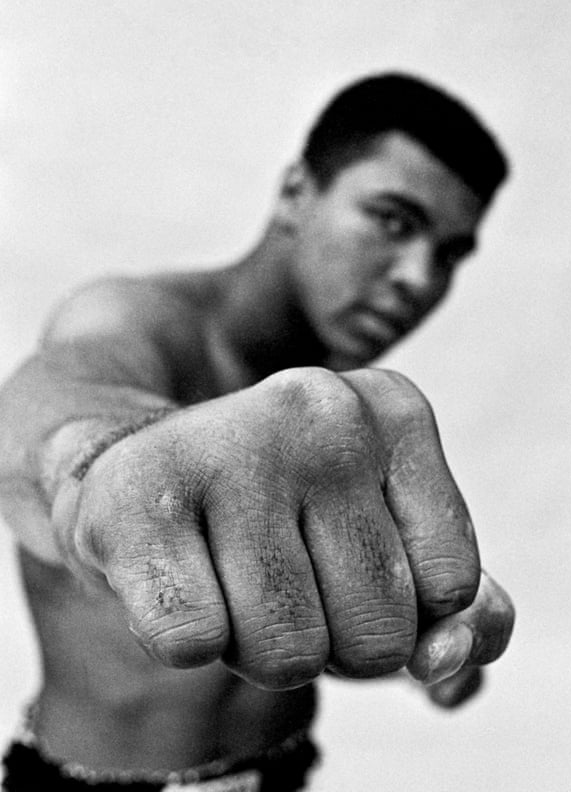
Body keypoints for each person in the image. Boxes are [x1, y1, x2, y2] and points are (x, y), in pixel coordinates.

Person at [0, 73, 515, 791]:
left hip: (281, 769)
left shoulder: (328, 409)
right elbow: (47, 407)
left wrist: (404, 631)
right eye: (395, 222)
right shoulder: (136, 319)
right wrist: (102, 466)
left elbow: (259, 621)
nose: (418, 278)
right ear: (296, 192)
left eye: (450, 253)